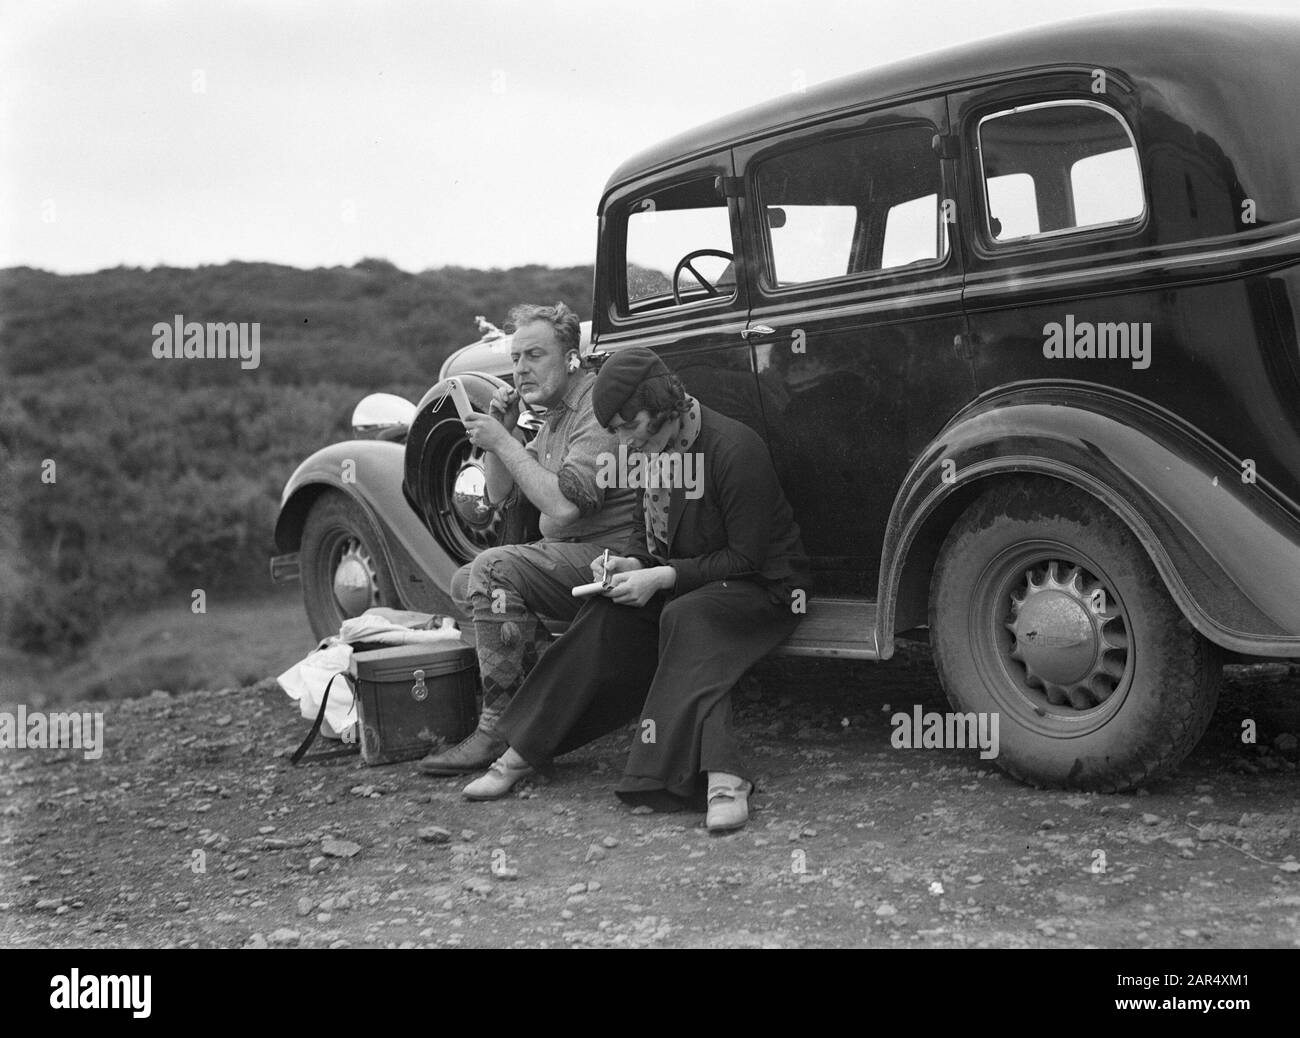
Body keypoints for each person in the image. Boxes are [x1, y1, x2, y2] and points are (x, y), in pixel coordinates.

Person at [460, 347, 810, 833]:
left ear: (660, 405)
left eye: (629, 427)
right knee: (607, 613)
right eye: (618, 431)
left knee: (687, 618)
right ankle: (521, 751)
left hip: (762, 587)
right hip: (689, 580)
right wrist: (629, 563)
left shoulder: (734, 447)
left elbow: (746, 558)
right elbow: (646, 539)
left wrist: (661, 576)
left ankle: (724, 778)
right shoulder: (653, 450)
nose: (624, 440)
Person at [418, 303, 636, 775]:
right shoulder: (556, 414)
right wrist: (512, 427)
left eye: (534, 355)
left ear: (572, 358)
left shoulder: (595, 410)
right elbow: (498, 493)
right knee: (465, 582)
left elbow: (562, 507)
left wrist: (503, 442)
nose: (520, 369)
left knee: (492, 570)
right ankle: (542, 707)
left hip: (617, 561)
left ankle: (497, 728)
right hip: (576, 555)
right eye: (516, 359)